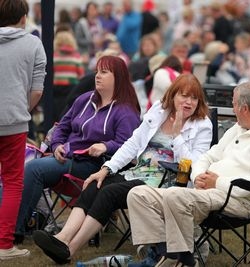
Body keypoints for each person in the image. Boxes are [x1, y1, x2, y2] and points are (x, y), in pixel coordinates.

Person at [32, 73, 213, 265]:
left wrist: (177, 134)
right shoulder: (159, 111)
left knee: (109, 193)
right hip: (140, 171)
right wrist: (107, 168)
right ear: (173, 95)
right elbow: (133, 143)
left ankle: (70, 249)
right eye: (184, 95)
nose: (189, 101)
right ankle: (62, 238)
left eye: (194, 98)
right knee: (96, 184)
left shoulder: (202, 125)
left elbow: (193, 164)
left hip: (167, 181)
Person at [126, 81, 250, 267]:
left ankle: (182, 260)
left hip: (239, 201)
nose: (232, 108)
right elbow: (208, 156)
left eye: (233, 104)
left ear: (244, 108)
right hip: (207, 191)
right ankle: (165, 254)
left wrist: (218, 183)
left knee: (175, 195)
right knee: (138, 195)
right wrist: (198, 177)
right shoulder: (238, 128)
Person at [14, 56, 141, 245]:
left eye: (104, 72)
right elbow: (62, 127)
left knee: (34, 168)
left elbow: (129, 145)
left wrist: (106, 146)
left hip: (96, 166)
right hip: (67, 158)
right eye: (97, 71)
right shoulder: (84, 99)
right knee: (30, 167)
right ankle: (16, 226)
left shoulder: (126, 111)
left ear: (118, 77)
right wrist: (56, 146)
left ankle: (14, 231)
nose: (97, 76)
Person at [0, 0, 46, 260]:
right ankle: (4, 244)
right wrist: (22, 109)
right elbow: (37, 90)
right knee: (12, 183)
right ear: (23, 17)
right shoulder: (33, 44)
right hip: (14, 122)